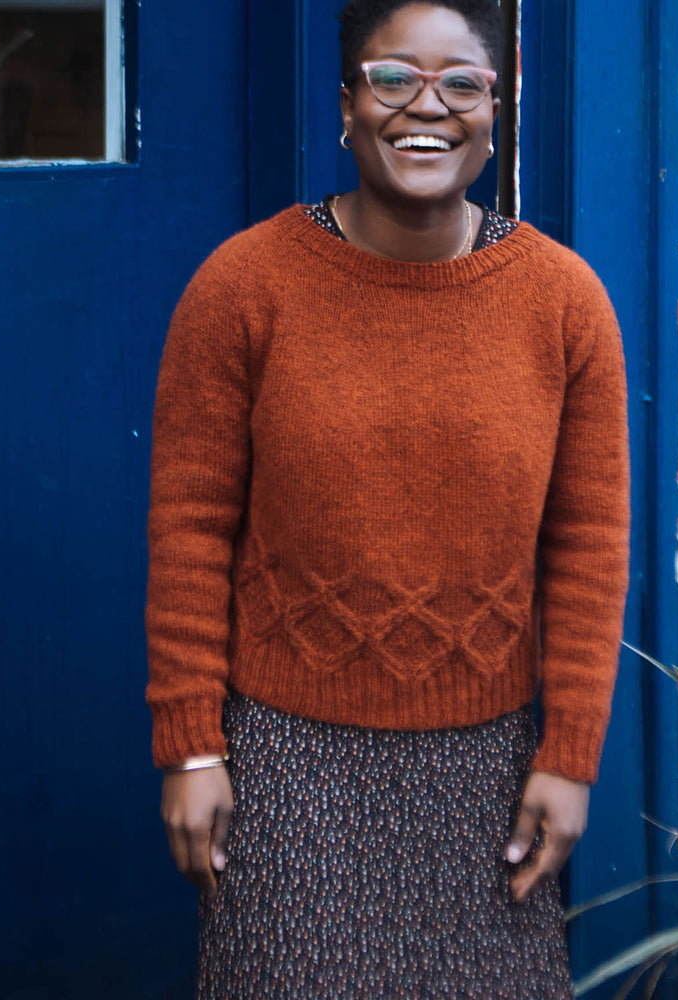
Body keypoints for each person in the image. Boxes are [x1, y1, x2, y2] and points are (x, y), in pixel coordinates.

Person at [145, 1, 630, 996]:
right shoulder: (242, 287)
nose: (428, 107)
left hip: (493, 774)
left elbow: (588, 546)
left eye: (461, 82)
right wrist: (190, 744)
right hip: (285, 767)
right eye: (392, 78)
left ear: (496, 110)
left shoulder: (564, 302)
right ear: (343, 108)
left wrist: (569, 755)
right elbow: (190, 528)